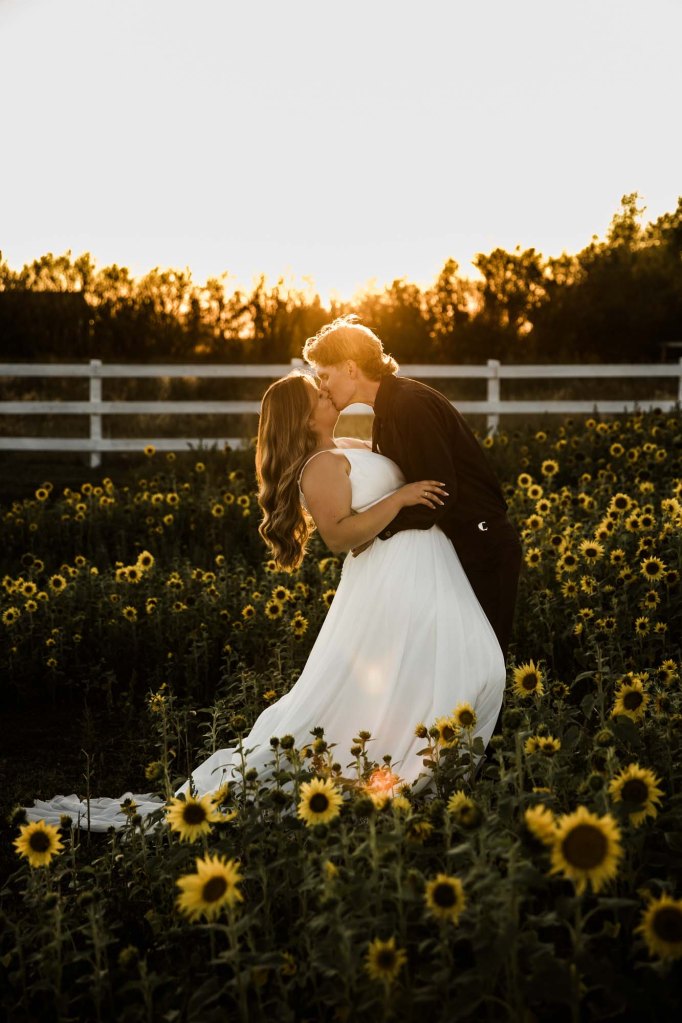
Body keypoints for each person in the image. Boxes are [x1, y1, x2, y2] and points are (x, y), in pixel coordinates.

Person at [22, 368, 506, 832]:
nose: (328, 395)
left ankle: (419, 763)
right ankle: (402, 770)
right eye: (318, 396)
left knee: (464, 665)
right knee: (445, 668)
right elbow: (339, 537)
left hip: (425, 567)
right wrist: (399, 501)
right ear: (302, 416)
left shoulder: (351, 446)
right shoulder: (318, 468)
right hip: (391, 578)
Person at [302, 314, 522, 659]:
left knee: (483, 663)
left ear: (349, 367)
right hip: (455, 548)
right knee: (452, 665)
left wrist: (376, 532)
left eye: (325, 376)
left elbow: (439, 493)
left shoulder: (409, 405)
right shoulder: (386, 412)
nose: (323, 387)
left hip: (482, 545)